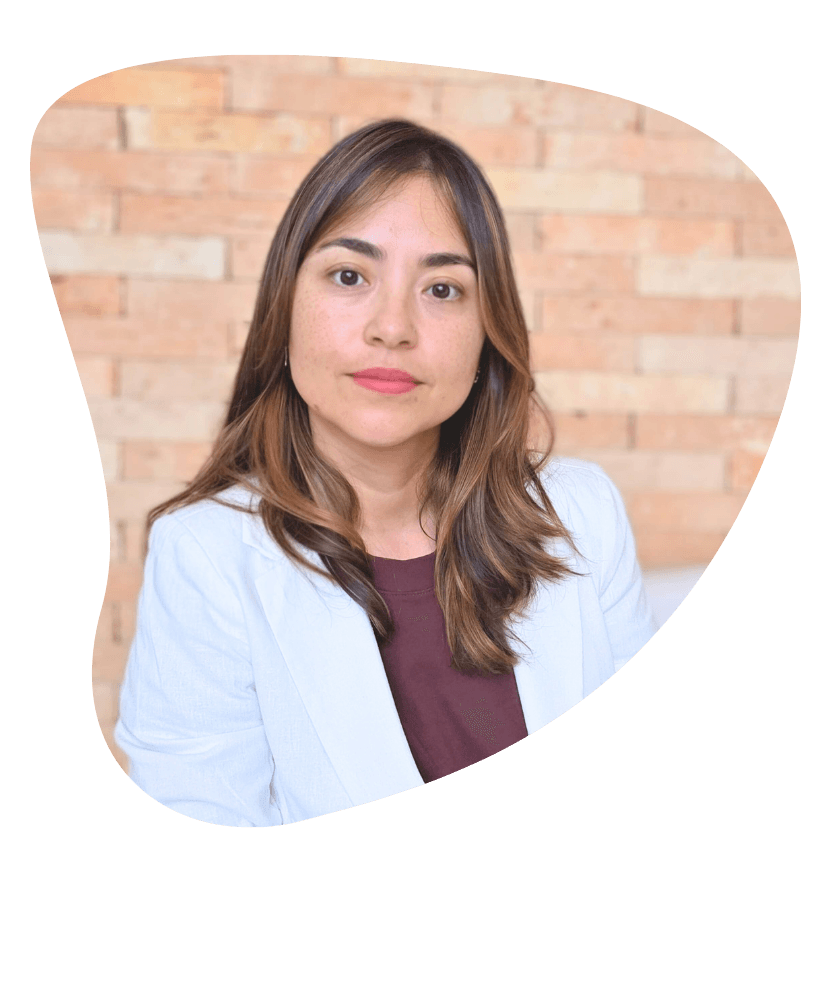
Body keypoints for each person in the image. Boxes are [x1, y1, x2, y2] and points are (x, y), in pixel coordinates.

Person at [114, 119, 655, 828]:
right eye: (349, 276)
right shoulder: (206, 555)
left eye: (443, 289)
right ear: (284, 307)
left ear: (486, 334)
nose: (392, 327)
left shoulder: (582, 514)